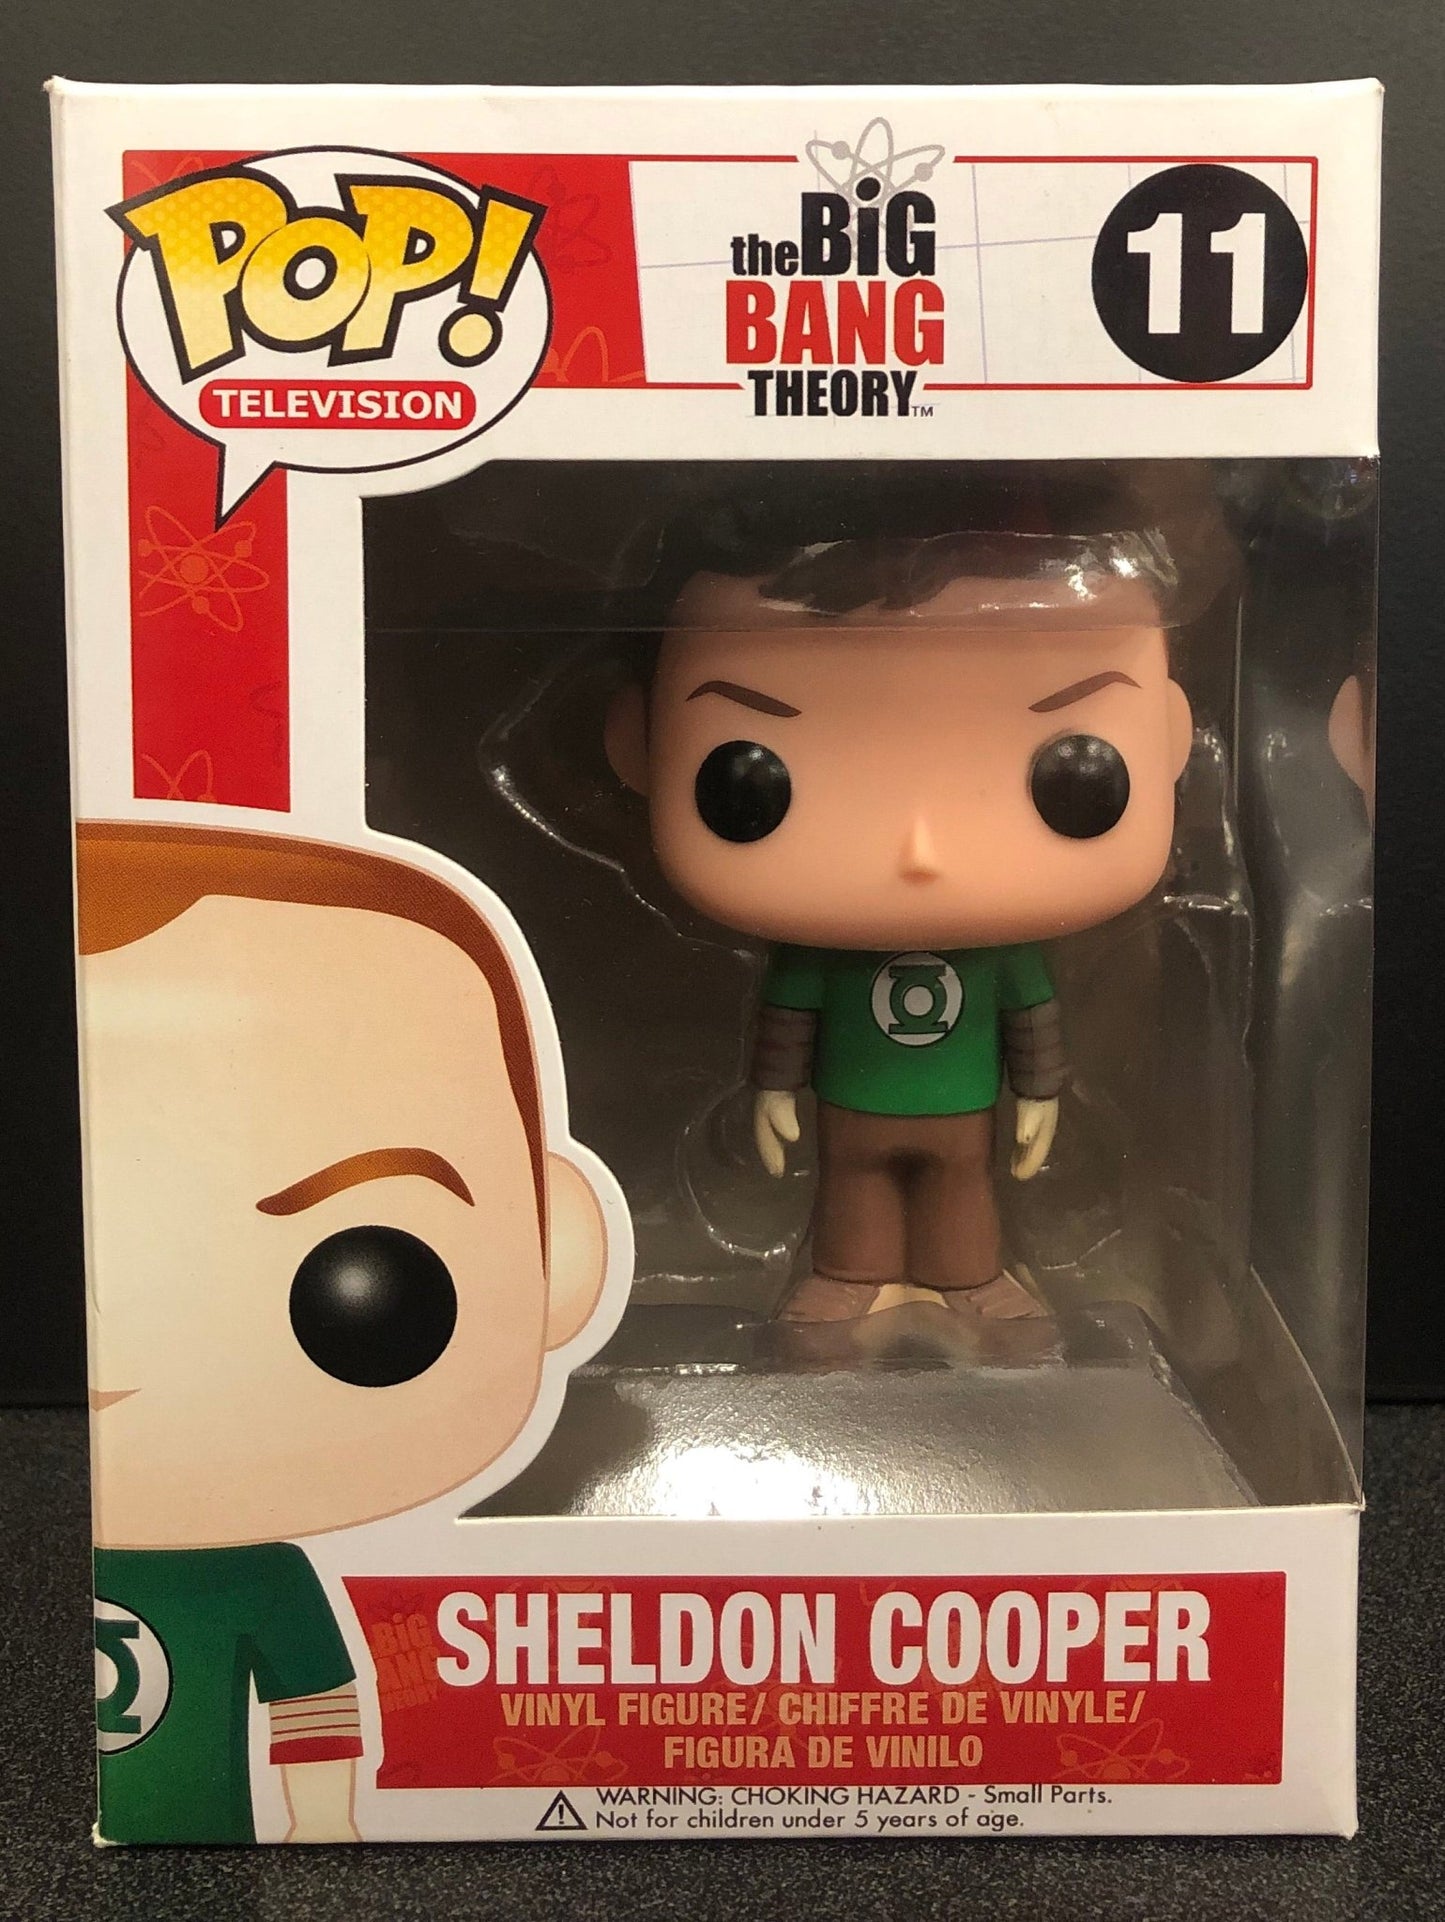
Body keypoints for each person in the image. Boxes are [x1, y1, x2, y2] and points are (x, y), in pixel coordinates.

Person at [81, 823, 611, 1842]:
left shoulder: (258, 1571)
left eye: (365, 1288)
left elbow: (313, 1704)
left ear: (562, 1255)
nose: (128, 1344)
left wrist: (323, 1824)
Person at [607, 531, 1192, 1322]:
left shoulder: (1000, 951)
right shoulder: (819, 953)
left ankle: (967, 1277)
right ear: (638, 746)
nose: (919, 850)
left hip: (960, 1109)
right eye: (748, 785)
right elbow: (788, 1014)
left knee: (963, 1188)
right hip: (855, 1106)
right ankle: (853, 1274)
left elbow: (1029, 1014)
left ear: (1169, 740)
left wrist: (1040, 1092)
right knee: (853, 1189)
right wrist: (773, 1085)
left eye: (1074, 777)